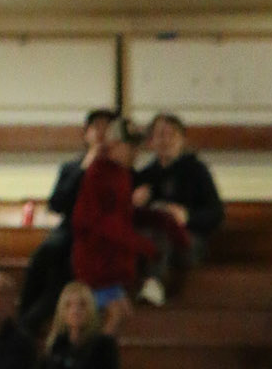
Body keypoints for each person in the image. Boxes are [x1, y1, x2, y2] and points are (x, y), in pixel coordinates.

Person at [18, 108, 117, 334]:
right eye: (96, 127)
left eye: (107, 128)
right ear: (86, 133)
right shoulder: (72, 167)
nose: (101, 133)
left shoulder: (118, 168)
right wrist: (84, 168)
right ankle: (24, 319)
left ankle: (28, 324)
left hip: (100, 234)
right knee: (46, 255)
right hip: (70, 230)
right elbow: (57, 203)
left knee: (62, 272)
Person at [71, 117, 152, 334]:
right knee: (113, 315)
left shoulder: (121, 174)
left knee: (120, 314)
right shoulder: (100, 173)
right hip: (98, 263)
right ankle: (94, 353)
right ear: (114, 145)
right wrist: (140, 244)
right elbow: (97, 221)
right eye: (131, 147)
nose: (136, 153)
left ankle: (99, 350)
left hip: (110, 263)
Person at [133, 111, 224, 304]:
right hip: (153, 240)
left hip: (189, 241)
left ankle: (155, 283)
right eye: (160, 135)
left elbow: (216, 213)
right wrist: (135, 203)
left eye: (172, 134)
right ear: (151, 141)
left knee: (164, 233)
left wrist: (187, 216)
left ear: (182, 139)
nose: (166, 140)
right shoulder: (145, 175)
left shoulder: (197, 170)